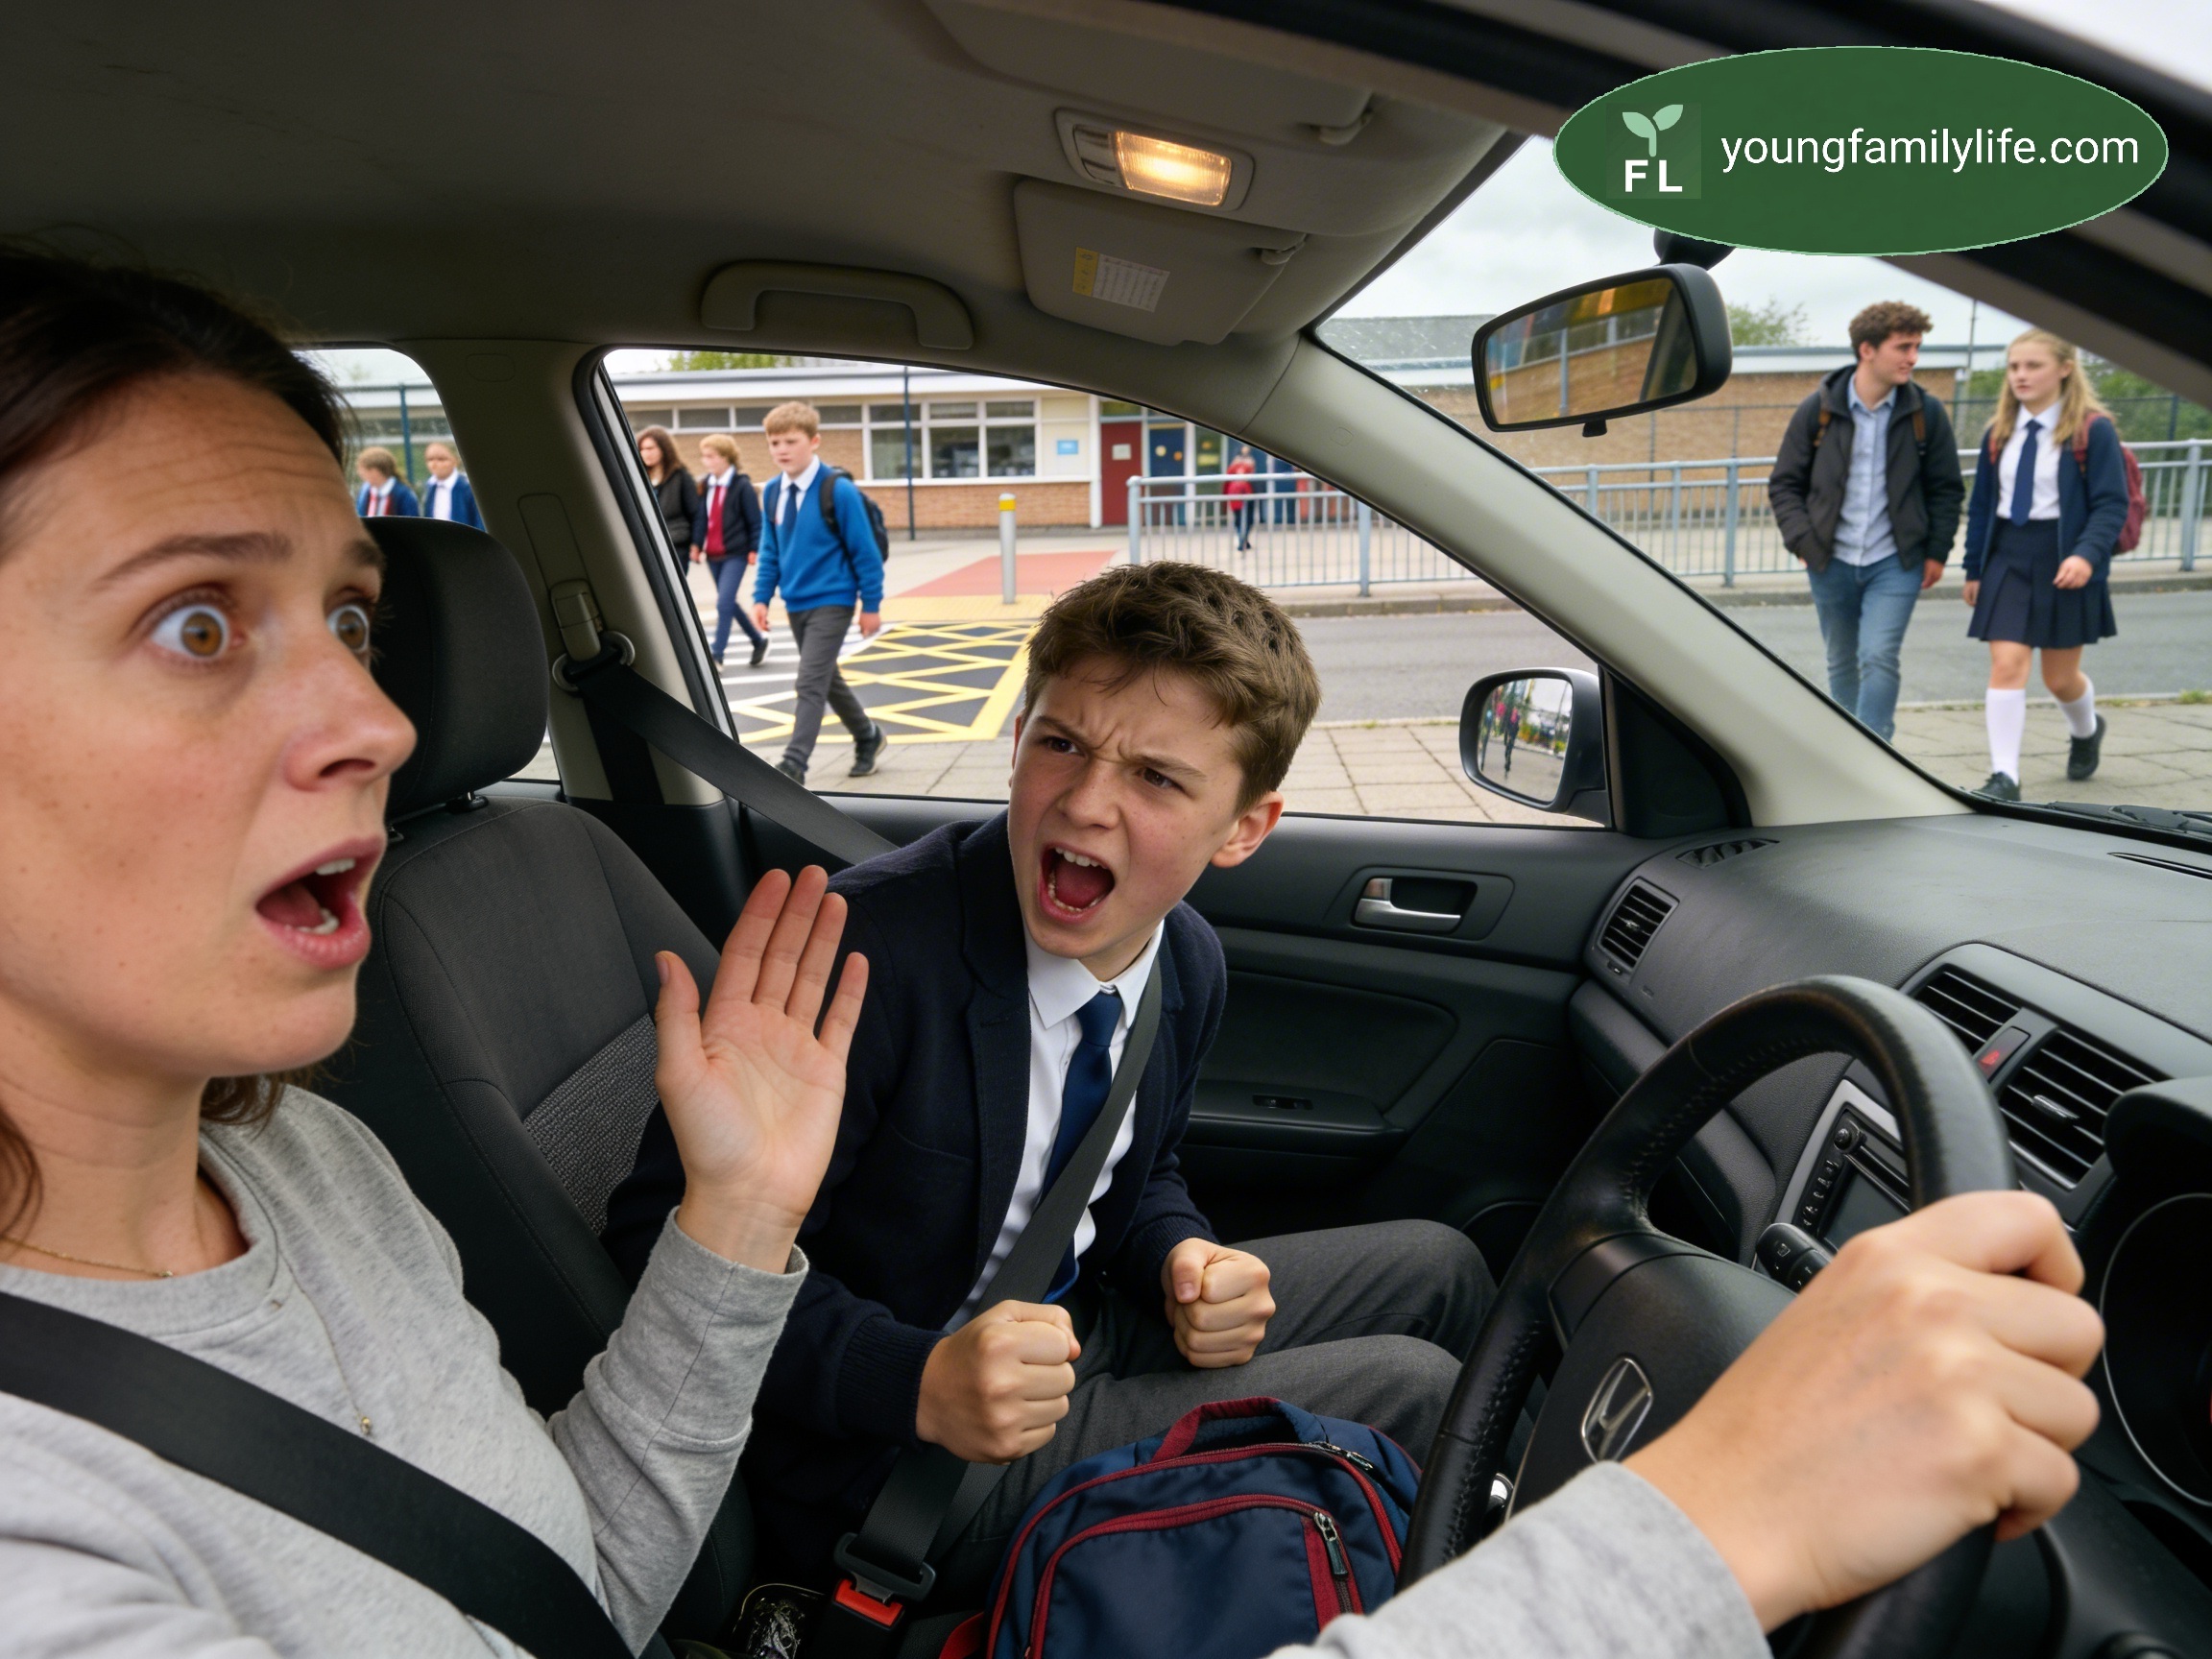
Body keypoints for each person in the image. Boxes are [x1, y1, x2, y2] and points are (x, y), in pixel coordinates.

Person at [0, 252, 2106, 1659]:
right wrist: (1689, 1539)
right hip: (912, 1442)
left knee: (1450, 1277)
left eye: (354, 620)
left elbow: (586, 1566)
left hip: (1039, 1344)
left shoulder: (303, 1171)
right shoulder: (871, 947)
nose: (368, 718)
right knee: (1397, 1391)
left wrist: (1148, 1248)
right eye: (200, 621)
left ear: (1247, 831)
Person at [1767, 301, 1965, 742]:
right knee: (1841, 659)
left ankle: (1878, 747)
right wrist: (1802, 541)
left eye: (1917, 347)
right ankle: (1847, 746)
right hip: (1829, 558)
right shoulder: (1817, 409)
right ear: (1867, 350)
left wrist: (1936, 551)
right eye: (1903, 347)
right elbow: (1784, 483)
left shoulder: (1925, 414)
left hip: (1896, 561)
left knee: (1877, 655)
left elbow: (1946, 488)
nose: (1913, 358)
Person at [1960, 329, 2129, 801]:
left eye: (2032, 366)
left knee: (2059, 678)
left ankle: (2086, 729)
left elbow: (2111, 504)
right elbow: (1981, 507)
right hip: (2008, 555)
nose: (2020, 375)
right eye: (2014, 366)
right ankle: (2005, 777)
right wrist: (1973, 569)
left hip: (2066, 555)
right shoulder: (1998, 433)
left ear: (2064, 368)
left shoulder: (2093, 430)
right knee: (2007, 664)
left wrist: (2086, 555)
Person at [749, 401, 886, 782]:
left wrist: (870, 605)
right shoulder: (773, 491)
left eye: (790, 441)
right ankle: (867, 736)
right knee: (827, 677)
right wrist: (761, 597)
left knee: (809, 680)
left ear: (814, 441)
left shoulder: (837, 490)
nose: (782, 450)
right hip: (797, 602)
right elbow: (771, 550)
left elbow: (866, 552)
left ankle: (794, 765)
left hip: (834, 600)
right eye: (774, 442)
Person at [693, 432, 769, 668]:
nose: (706, 461)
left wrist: (754, 548)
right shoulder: (706, 485)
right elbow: (701, 519)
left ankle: (717, 655)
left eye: (711, 456)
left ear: (726, 457)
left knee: (724, 602)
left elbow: (755, 521)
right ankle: (758, 641)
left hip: (736, 554)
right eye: (704, 456)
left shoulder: (742, 486)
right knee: (729, 603)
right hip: (713, 555)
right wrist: (696, 544)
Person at [637, 422, 700, 586]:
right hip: (649, 544)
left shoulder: (680, 477)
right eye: (642, 449)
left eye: (650, 448)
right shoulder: (638, 479)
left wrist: (697, 543)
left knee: (672, 588)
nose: (646, 453)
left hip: (676, 546)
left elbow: (696, 513)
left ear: (663, 449)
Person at [416, 440, 484, 528]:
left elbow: (480, 523)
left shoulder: (468, 488)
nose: (434, 464)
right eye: (430, 459)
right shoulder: (426, 488)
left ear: (456, 460)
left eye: (441, 459)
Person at [352, 445, 419, 518]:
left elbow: (411, 522)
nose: (360, 474)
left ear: (376, 471)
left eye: (364, 470)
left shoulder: (404, 494)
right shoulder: (364, 492)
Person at [1225, 445, 1258, 552]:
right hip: (1244, 494)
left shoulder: (1234, 466)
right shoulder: (1247, 465)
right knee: (1246, 519)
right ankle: (1242, 540)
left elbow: (1227, 481)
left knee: (1240, 520)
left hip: (1236, 495)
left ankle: (1243, 540)